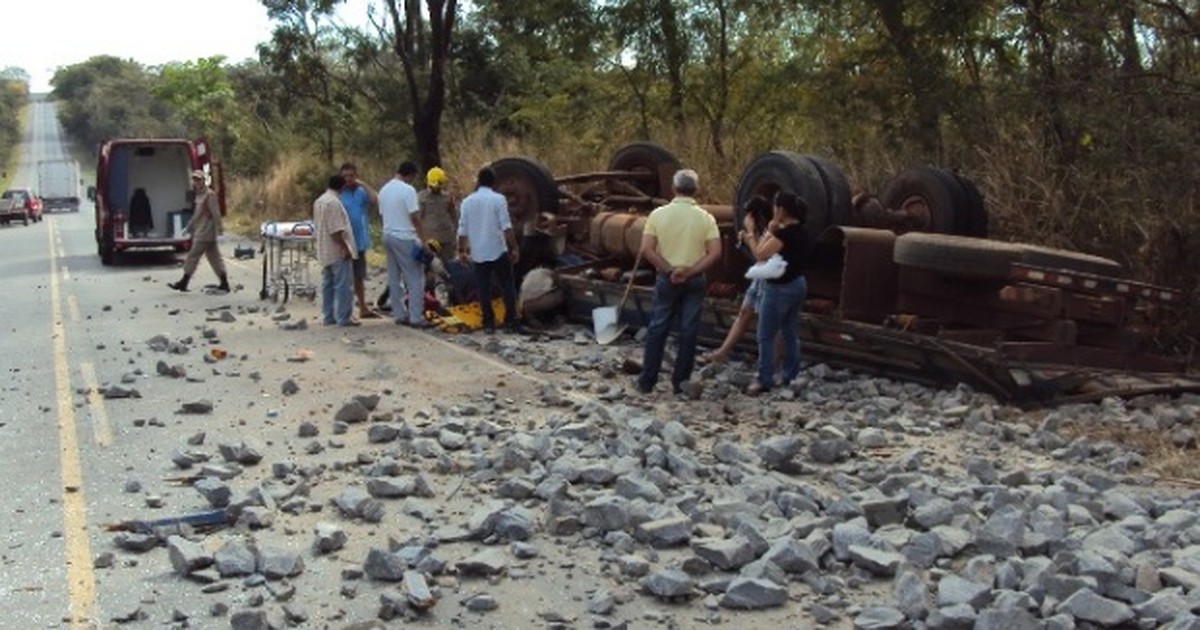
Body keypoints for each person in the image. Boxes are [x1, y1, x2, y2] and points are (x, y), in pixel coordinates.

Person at [635, 169, 721, 395]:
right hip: (694, 279)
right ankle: (680, 382)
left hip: (666, 277)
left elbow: (646, 249)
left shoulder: (658, 215)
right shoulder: (706, 218)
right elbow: (715, 253)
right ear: (696, 190)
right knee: (689, 330)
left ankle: (647, 381)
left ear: (674, 189)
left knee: (658, 327)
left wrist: (670, 270)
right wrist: (690, 272)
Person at [743, 191, 809, 395]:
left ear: (780, 210)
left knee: (765, 334)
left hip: (779, 287)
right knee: (789, 331)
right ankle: (791, 373)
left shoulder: (784, 234)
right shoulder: (802, 231)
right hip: (798, 283)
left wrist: (750, 237)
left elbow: (760, 254)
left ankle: (764, 379)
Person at [699, 195, 773, 365]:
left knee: (770, 323)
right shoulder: (760, 231)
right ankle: (722, 352)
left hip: (769, 280)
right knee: (744, 314)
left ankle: (771, 364)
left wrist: (750, 238)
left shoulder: (772, 232)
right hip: (759, 279)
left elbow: (762, 257)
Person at [457, 166, 520, 334]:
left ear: (478, 181)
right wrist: (514, 247)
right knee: (507, 285)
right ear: (494, 182)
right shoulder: (498, 199)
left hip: (478, 252)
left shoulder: (467, 202)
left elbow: (462, 229)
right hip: (498, 250)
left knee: (482, 287)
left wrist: (461, 251)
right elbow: (506, 227)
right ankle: (511, 320)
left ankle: (488, 323)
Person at [378, 161, 431, 328]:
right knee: (415, 278)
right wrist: (424, 241)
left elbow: (382, 213)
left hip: (387, 234)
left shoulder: (384, 189)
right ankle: (416, 317)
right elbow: (415, 217)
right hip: (404, 236)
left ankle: (399, 314)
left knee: (394, 277)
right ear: (410, 175)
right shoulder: (408, 190)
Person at [169, 170, 229, 293]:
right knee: (214, 258)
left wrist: (220, 231)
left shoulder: (209, 195)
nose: (196, 182)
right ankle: (224, 282)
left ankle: (184, 282)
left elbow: (216, 214)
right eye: (194, 179)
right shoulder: (198, 195)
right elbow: (197, 214)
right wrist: (189, 227)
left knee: (192, 256)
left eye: (199, 179)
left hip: (206, 231)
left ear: (204, 180)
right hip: (202, 230)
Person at [315, 175, 359, 327]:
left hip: (324, 249)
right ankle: (343, 317)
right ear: (342, 187)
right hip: (336, 250)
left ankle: (328, 315)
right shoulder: (333, 203)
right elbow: (336, 230)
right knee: (343, 285)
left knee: (328, 284)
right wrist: (345, 247)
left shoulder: (320, 201)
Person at [339, 162, 380, 319]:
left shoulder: (361, 192)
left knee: (359, 276)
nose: (348, 179)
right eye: (345, 176)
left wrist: (362, 183)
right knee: (343, 278)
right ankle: (344, 311)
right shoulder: (340, 194)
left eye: (351, 176)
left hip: (360, 241)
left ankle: (362, 306)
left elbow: (375, 199)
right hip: (344, 241)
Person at [419, 167, 458, 262]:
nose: (440, 186)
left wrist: (455, 231)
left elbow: (453, 215)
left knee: (449, 265)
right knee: (430, 266)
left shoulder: (448, 196)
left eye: (441, 184)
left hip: (447, 237)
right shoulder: (421, 197)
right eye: (439, 184)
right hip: (430, 239)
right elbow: (418, 218)